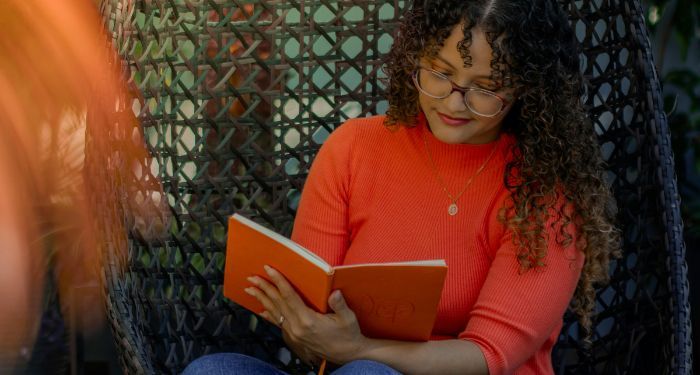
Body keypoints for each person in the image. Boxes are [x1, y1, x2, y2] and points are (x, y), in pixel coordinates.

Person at [184, 0, 619, 374]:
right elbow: (311, 327)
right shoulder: (354, 148)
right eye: (439, 72)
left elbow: (489, 355)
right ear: (416, 55)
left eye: (485, 89)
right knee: (211, 370)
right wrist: (304, 330)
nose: (453, 102)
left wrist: (360, 350)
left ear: (528, 90)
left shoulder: (544, 193)